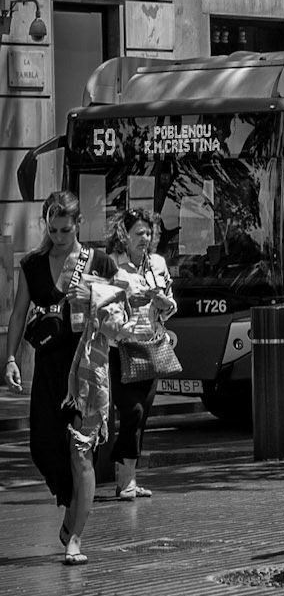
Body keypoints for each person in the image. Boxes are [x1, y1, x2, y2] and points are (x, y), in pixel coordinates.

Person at [2, 191, 119, 564]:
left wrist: (95, 298)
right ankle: (73, 508)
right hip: (50, 369)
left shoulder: (98, 261)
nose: (59, 236)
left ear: (78, 224)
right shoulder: (34, 264)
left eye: (65, 229)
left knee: (80, 453)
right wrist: (10, 359)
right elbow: (19, 314)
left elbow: (122, 311)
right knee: (43, 448)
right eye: (52, 230)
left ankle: (75, 537)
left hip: (88, 371)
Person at [106, 209, 177, 499]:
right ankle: (124, 477)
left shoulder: (158, 265)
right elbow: (101, 306)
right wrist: (124, 304)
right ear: (124, 235)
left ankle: (128, 480)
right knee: (131, 411)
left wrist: (162, 302)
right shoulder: (112, 265)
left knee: (142, 415)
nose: (145, 239)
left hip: (150, 348)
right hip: (122, 347)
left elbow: (171, 306)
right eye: (139, 233)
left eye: (149, 233)